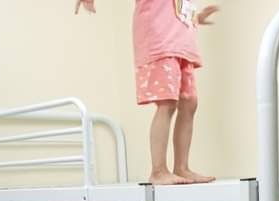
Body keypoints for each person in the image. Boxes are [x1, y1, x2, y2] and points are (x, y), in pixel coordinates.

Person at [76, 0, 218, 185]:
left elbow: (176, 10)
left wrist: (196, 18)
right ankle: (158, 171)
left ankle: (182, 167)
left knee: (189, 103)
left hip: (182, 46)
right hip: (161, 42)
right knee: (167, 102)